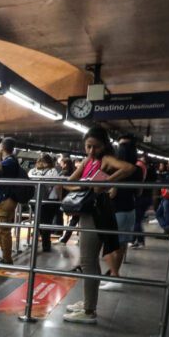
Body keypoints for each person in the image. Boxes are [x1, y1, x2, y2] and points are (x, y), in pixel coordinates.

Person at [62, 127, 135, 324]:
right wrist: (86, 186)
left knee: (87, 260)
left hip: (98, 212)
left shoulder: (106, 160)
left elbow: (129, 168)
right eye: (88, 146)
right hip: (87, 211)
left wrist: (105, 182)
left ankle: (88, 311)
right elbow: (69, 182)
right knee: (89, 259)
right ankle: (88, 302)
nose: (92, 151)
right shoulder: (87, 161)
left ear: (105, 145)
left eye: (96, 146)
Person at [102, 137, 145, 290]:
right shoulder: (138, 169)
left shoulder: (114, 167)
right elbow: (139, 191)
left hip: (115, 210)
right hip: (130, 209)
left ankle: (115, 277)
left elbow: (110, 192)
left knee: (107, 247)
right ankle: (114, 276)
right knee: (120, 246)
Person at [0, 137, 22, 264]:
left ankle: (7, 259)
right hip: (3, 199)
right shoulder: (9, 161)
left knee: (3, 230)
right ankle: (5, 255)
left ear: (2, 147)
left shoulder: (9, 162)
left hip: (6, 200)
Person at [29, 153, 63, 252]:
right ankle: (46, 245)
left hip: (34, 200)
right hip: (50, 201)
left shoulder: (32, 171)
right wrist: (60, 200)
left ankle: (36, 243)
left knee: (38, 221)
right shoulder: (53, 171)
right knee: (47, 223)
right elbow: (58, 186)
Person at [131, 151, 156, 248]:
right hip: (146, 198)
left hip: (141, 198)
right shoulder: (151, 171)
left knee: (136, 220)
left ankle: (140, 241)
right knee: (138, 220)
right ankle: (135, 240)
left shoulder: (142, 169)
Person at [56, 155, 77, 244]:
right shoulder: (75, 172)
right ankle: (64, 236)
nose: (60, 165)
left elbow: (59, 186)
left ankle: (60, 233)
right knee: (74, 218)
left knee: (60, 214)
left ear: (65, 164)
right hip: (75, 197)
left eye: (61, 163)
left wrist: (59, 197)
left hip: (65, 197)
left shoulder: (63, 173)